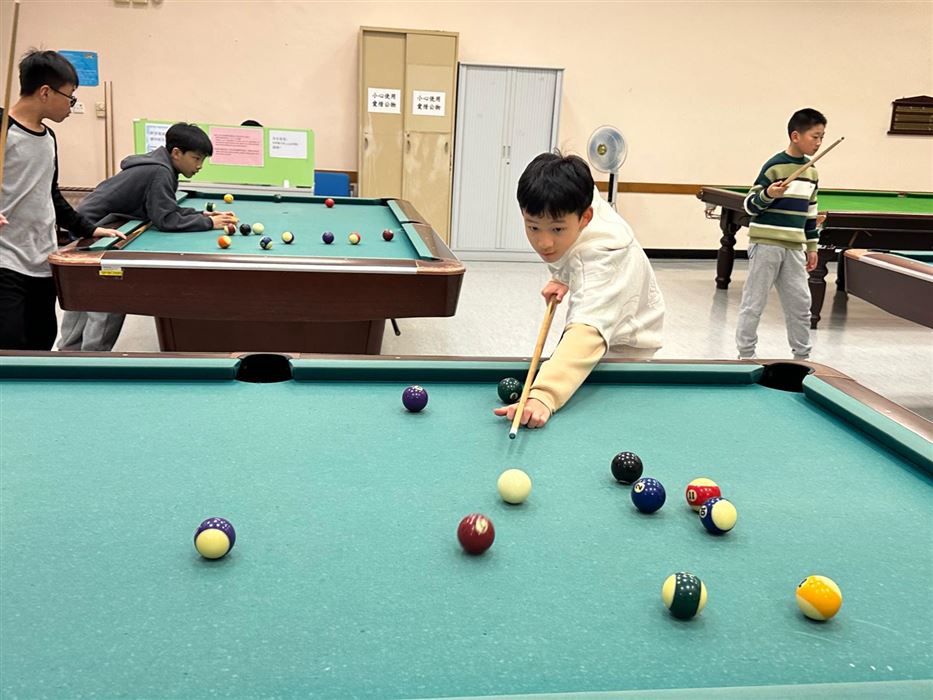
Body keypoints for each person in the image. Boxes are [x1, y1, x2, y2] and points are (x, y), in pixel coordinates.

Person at [494, 152, 665, 430]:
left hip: (626, 347)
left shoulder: (601, 258)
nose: (544, 242)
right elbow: (573, 249)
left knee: (604, 426)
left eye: (557, 229)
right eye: (533, 226)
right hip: (608, 317)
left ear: (585, 218)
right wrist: (564, 277)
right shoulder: (576, 197)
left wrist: (543, 396)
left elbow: (588, 331)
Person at [58, 123, 236, 351]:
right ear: (176, 153)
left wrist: (201, 215)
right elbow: (166, 220)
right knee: (106, 297)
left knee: (84, 296)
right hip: (99, 233)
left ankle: (68, 353)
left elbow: (164, 208)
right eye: (196, 158)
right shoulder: (160, 172)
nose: (200, 166)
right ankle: (92, 359)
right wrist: (209, 223)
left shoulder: (159, 166)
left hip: (89, 227)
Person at [0, 50, 123, 351]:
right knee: (9, 342)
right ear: (45, 92)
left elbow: (50, 194)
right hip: (5, 258)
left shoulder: (48, 137)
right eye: (70, 97)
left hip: (42, 259)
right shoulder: (2, 128)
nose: (71, 105)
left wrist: (89, 228)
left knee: (42, 342)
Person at [735, 108, 825, 361]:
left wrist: (812, 247)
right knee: (754, 303)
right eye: (814, 137)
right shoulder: (774, 166)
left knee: (801, 305)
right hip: (766, 244)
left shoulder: (812, 172)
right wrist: (768, 195)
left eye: (822, 137)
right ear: (796, 136)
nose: (819, 143)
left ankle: (802, 357)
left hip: (794, 247)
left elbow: (810, 212)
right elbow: (749, 205)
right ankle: (746, 355)